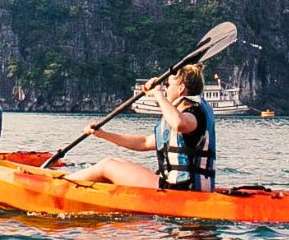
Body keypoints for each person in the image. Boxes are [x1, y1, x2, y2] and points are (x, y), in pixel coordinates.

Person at [65, 65, 215, 191]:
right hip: (184, 187)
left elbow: (179, 123)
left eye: (168, 85)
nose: (166, 90)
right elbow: (143, 143)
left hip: (180, 190)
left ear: (181, 88)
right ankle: (67, 182)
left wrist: (156, 93)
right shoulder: (184, 116)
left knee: (107, 165)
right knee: (115, 161)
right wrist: (103, 134)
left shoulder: (194, 114)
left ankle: (62, 185)